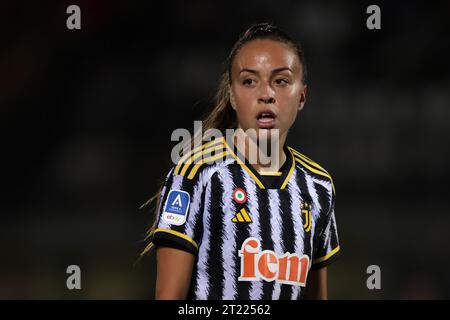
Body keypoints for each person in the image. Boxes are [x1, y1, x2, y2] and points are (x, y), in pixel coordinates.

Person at [141, 22, 341, 300]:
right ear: (232, 96)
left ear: (302, 96)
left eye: (281, 81)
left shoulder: (318, 186)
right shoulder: (196, 175)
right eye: (249, 81)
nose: (266, 93)